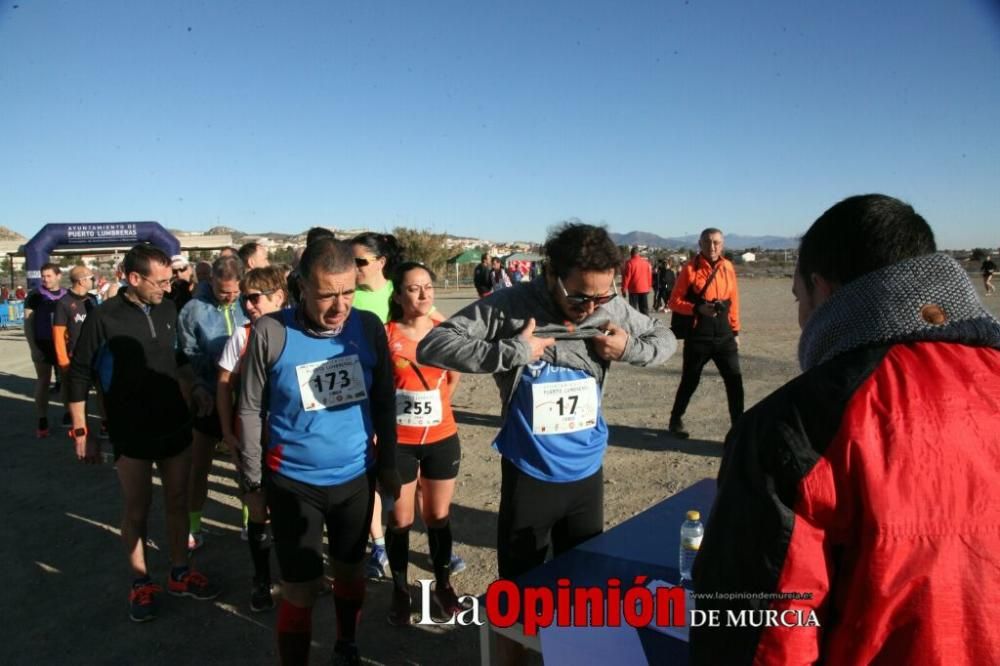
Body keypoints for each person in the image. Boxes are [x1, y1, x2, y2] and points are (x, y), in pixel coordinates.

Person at [691, 194, 1000, 664]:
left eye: (799, 298)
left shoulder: (795, 426)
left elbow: (757, 634)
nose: (799, 319)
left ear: (823, 289)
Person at [418, 223, 675, 583]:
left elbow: (664, 337)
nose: (591, 307)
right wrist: (513, 351)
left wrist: (630, 347)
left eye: (601, 297)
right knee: (522, 593)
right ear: (551, 273)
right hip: (530, 474)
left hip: (587, 472)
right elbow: (433, 345)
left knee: (582, 585)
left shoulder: (609, 307)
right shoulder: (511, 305)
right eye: (580, 296)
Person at [235, 237, 400, 665]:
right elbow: (250, 408)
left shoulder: (366, 327)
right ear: (300, 287)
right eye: (327, 294)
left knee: (349, 573)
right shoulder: (271, 331)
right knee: (300, 589)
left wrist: (390, 465)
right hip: (293, 483)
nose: (340, 305)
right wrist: (251, 480)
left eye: (348, 292)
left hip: (355, 480)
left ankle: (347, 644)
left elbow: (384, 400)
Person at [67, 244, 220, 623]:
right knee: (138, 508)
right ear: (133, 278)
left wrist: (196, 388)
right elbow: (79, 374)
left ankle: (180, 572)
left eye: (171, 280)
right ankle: (140, 582)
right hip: (130, 430)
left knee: (178, 499)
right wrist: (81, 430)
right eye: (161, 281)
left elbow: (177, 356)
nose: (168, 288)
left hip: (175, 423)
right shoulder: (103, 317)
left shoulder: (169, 308)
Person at [383, 262, 467, 626]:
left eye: (428, 287)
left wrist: (435, 410)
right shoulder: (386, 335)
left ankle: (443, 585)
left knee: (437, 516)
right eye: (414, 289)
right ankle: (400, 589)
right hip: (399, 442)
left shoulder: (442, 333)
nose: (423, 294)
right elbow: (380, 388)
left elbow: (453, 378)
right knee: (401, 518)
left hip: (441, 438)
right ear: (399, 295)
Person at [216, 266, 287, 613]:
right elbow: (223, 383)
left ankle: (297, 575)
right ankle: (261, 580)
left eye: (254, 297)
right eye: (244, 298)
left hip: (290, 439)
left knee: (291, 509)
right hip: (253, 437)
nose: (248, 304)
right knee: (257, 508)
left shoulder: (295, 333)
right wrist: (228, 430)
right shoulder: (242, 336)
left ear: (279, 296)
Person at [177, 254, 249, 551]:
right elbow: (184, 355)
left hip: (244, 397)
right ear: (211, 281)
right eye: (223, 292)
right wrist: (195, 388)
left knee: (246, 464)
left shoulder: (249, 303)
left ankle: (249, 521)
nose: (230, 297)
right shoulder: (192, 310)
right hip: (208, 394)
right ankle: (194, 524)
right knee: (200, 465)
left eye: (235, 291)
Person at [667, 228, 743, 438]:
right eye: (708, 242)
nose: (712, 246)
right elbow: (674, 301)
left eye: (717, 242)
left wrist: (736, 331)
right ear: (700, 244)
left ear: (723, 244)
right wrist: (697, 308)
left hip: (725, 335)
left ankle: (738, 427)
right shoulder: (690, 269)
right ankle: (676, 420)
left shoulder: (728, 267)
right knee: (690, 380)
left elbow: (734, 301)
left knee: (734, 381)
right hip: (698, 335)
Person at [52, 266, 102, 435]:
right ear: (81, 281)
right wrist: (63, 362)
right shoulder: (64, 302)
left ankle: (105, 423)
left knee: (102, 391)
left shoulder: (93, 300)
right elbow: (58, 334)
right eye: (91, 278)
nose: (93, 281)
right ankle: (79, 424)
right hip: (75, 357)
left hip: (96, 354)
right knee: (78, 394)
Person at [24, 262, 67, 437]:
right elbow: (28, 324)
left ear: (58, 276)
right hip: (43, 344)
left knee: (65, 380)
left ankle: (68, 413)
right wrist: (34, 348)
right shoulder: (35, 295)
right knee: (43, 380)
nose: (45, 279)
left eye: (49, 276)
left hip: (62, 344)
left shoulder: (66, 295)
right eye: (43, 276)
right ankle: (42, 419)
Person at [622, 246, 653, 314]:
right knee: (644, 309)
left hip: (634, 290)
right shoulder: (646, 263)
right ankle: (645, 322)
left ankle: (634, 323)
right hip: (644, 289)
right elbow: (649, 276)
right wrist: (649, 287)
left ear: (631, 254)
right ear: (638, 254)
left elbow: (627, 277)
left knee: (633, 310)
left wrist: (624, 289)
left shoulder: (629, 263)